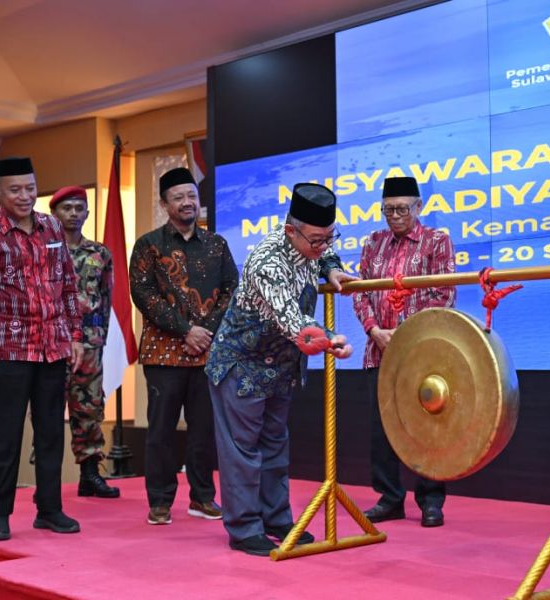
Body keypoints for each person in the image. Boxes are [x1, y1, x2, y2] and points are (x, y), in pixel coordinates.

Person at [205, 182, 356, 556]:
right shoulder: (266, 262)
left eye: (328, 237)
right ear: (291, 230)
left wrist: (333, 268)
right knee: (243, 450)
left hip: (281, 367)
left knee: (275, 445)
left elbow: (326, 253)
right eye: (315, 240)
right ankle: (244, 528)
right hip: (242, 364)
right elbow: (293, 323)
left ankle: (276, 519)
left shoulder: (313, 240)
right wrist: (333, 339)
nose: (322, 246)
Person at [0, 157, 84, 540]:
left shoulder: (51, 226)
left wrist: (75, 336)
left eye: (30, 188)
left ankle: (49, 509)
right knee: (6, 436)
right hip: (8, 351)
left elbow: (67, 283)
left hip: (52, 347)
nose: (24, 196)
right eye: (15, 189)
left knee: (50, 432)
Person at [129, 167, 238, 526]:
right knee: (160, 430)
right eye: (179, 197)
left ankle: (202, 497)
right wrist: (185, 330)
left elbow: (231, 291)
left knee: (203, 429)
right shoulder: (149, 245)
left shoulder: (216, 244)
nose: (188, 202)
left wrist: (203, 331)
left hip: (207, 351)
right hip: (163, 353)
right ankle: (159, 501)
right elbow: (143, 295)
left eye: (191, 195)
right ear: (165, 203)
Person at [352, 176, 456, 528]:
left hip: (422, 351)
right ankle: (389, 498)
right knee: (383, 429)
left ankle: (430, 500)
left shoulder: (436, 241)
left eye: (401, 209)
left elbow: (443, 293)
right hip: (378, 350)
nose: (394, 216)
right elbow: (360, 291)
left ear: (419, 207)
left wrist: (404, 332)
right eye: (388, 209)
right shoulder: (373, 243)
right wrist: (374, 331)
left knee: (425, 427)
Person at [49, 186, 120, 499]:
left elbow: (105, 299)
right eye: (67, 208)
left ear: (87, 213)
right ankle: (47, 482)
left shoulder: (100, 253)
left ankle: (89, 475)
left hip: (90, 343)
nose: (73, 213)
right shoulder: (45, 249)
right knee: (48, 408)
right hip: (52, 340)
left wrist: (101, 338)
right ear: (55, 213)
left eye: (79, 207)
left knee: (89, 407)